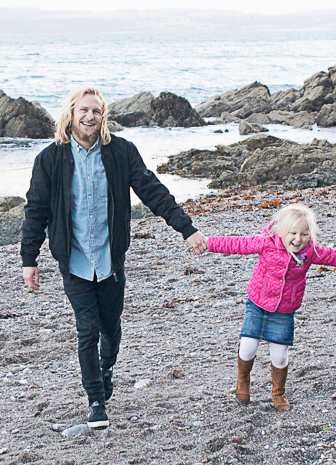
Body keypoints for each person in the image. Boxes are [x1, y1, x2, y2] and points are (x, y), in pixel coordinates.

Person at [21, 86, 205, 429]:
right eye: (84, 111)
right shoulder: (49, 159)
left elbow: (153, 192)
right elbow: (36, 211)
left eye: (96, 111)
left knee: (110, 327)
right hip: (74, 260)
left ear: (103, 117)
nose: (90, 117)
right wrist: (28, 259)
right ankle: (95, 400)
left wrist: (186, 228)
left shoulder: (121, 152)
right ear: (71, 114)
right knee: (86, 330)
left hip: (110, 259)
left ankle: (107, 368)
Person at [196, 203, 336, 411]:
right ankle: (243, 382)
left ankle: (278, 393)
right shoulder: (266, 242)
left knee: (279, 356)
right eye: (293, 233)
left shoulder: (310, 251)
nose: (298, 239)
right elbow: (237, 244)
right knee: (248, 347)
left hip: (285, 308)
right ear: (282, 231)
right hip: (258, 303)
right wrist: (208, 243)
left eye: (304, 234)